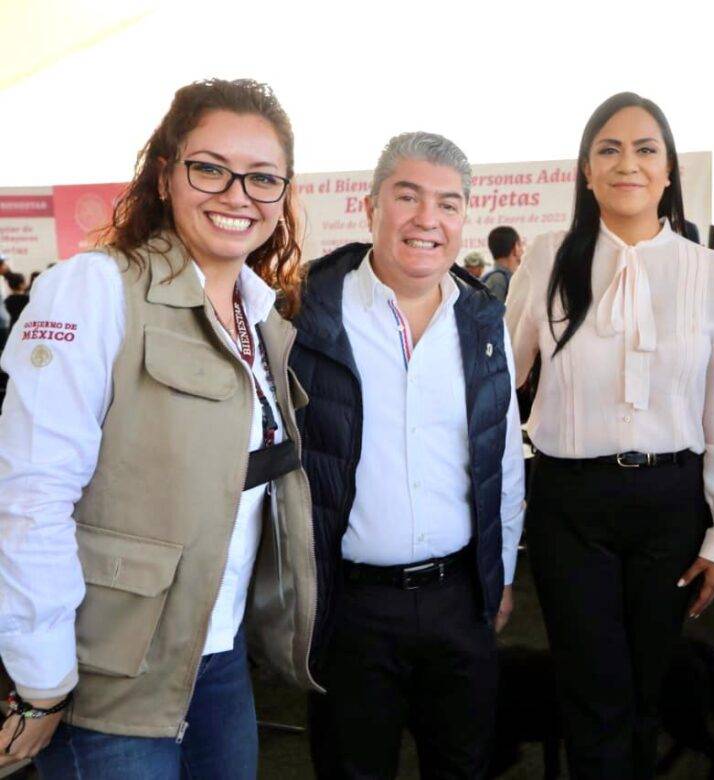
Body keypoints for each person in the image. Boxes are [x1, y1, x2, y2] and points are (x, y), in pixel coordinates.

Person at [0, 78, 318, 779]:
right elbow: (31, 495)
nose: (238, 194)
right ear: (166, 173)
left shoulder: (261, 316)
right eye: (210, 168)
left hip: (219, 659)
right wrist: (42, 677)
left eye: (263, 178)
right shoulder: (95, 288)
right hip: (110, 678)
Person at [505, 91, 714, 778]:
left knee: (648, 690)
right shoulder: (549, 256)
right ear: (586, 170)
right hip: (569, 505)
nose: (627, 164)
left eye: (645, 149)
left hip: (671, 502)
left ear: (668, 171)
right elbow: (498, 385)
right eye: (608, 149)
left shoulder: (707, 272)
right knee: (589, 692)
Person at [292, 131, 525, 778]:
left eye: (449, 204)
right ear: (371, 207)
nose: (428, 219)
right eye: (408, 196)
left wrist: (501, 572)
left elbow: (500, 457)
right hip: (350, 608)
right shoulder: (308, 314)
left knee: (464, 764)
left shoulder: (482, 321)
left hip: (459, 599)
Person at [483, 225, 524, 301]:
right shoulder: (498, 280)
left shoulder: (499, 279)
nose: (523, 250)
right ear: (516, 247)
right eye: (521, 245)